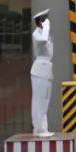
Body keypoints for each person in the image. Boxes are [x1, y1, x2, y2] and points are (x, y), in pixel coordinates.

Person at [29, 8, 54, 137]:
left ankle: (43, 128)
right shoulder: (37, 34)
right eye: (44, 20)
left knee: (44, 100)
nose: (47, 22)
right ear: (40, 22)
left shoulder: (45, 33)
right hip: (39, 69)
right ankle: (39, 129)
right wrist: (47, 27)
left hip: (46, 69)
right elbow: (43, 40)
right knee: (39, 100)